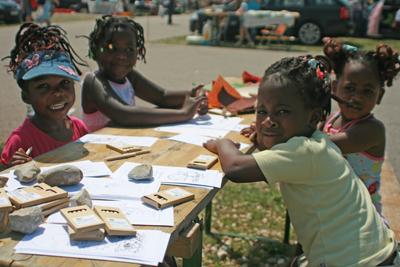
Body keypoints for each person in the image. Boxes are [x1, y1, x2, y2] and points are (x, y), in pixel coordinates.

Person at [203, 55, 399, 266]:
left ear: (314, 117)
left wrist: (223, 144)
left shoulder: (304, 151)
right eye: (262, 112)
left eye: (282, 112)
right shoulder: (317, 143)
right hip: (378, 252)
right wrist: (265, 137)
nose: (269, 120)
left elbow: (235, 169)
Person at [82, 15, 207, 132]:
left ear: (138, 53)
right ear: (95, 50)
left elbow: (162, 96)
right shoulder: (93, 81)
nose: (121, 56)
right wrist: (184, 113)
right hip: (97, 152)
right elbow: (124, 114)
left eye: (129, 49)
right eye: (111, 48)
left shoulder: (129, 76)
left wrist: (194, 96)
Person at [322, 38, 400, 215]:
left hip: (362, 218)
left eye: (367, 91)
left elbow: (320, 144)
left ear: (379, 96)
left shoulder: (372, 130)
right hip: (332, 210)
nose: (356, 97)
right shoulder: (331, 119)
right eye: (349, 88)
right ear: (334, 88)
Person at [1, 23, 88, 167]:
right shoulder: (20, 142)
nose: (58, 92)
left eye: (65, 82)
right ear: (26, 96)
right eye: (43, 86)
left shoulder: (79, 127)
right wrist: (12, 171)